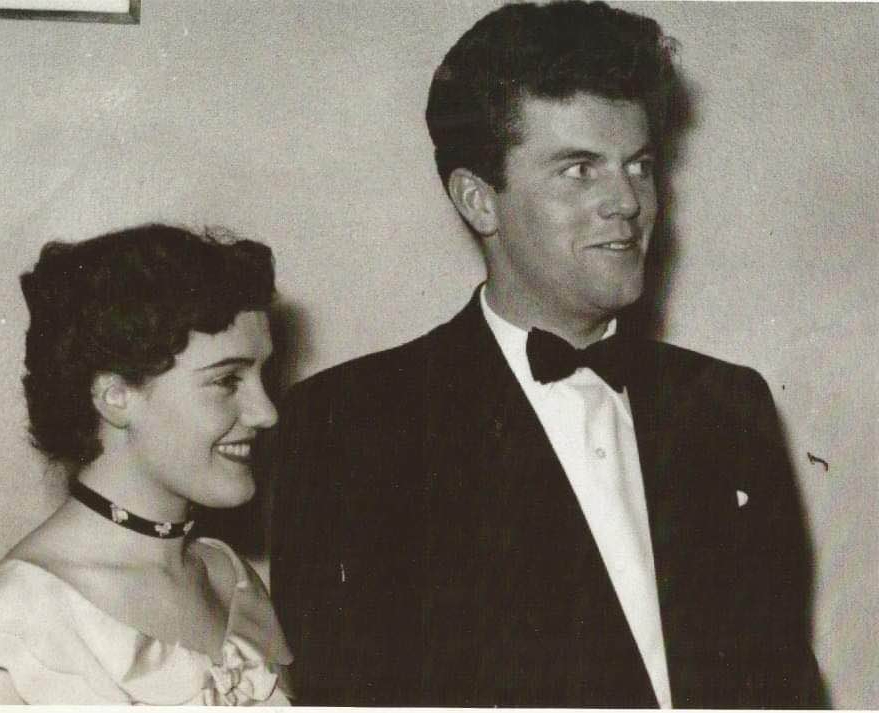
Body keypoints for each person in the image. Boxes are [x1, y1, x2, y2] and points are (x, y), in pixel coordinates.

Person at [269, 1, 825, 707]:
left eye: (639, 165)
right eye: (579, 169)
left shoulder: (728, 402)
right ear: (478, 201)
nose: (627, 202)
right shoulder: (351, 424)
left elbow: (784, 680)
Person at [0, 224, 293, 705]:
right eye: (227, 381)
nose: (267, 413)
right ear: (115, 395)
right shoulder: (2, 640)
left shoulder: (231, 581)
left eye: (263, 375)